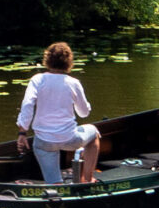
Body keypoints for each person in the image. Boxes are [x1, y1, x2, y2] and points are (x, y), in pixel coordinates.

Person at [17, 41, 102, 184]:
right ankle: (87, 179)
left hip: (43, 141)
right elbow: (83, 113)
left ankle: (57, 191)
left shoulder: (37, 80)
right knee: (93, 134)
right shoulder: (73, 82)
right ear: (68, 62)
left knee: (55, 185)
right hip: (69, 139)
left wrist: (22, 132)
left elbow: (27, 105)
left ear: (47, 60)